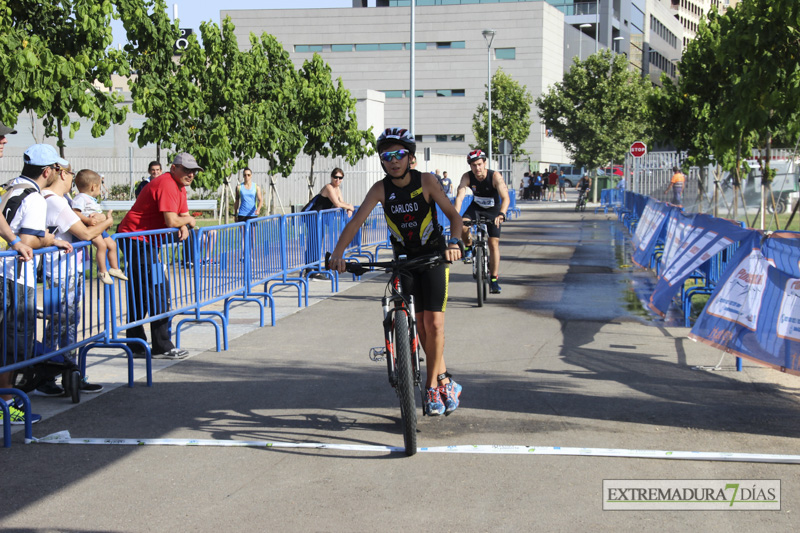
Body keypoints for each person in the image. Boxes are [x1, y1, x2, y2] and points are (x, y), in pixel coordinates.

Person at [327, 128, 464, 417]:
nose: (393, 161)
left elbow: (453, 216)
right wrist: (338, 254)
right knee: (420, 324)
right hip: (404, 261)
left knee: (433, 324)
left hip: (434, 257)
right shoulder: (380, 189)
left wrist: (454, 242)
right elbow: (355, 224)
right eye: (386, 156)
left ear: (410, 157)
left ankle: (431, 388)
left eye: (399, 154)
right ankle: (443, 378)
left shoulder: (426, 181)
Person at [0, 144, 73, 425]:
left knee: (9, 342)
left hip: (7, 274)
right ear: (48, 171)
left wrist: (51, 239)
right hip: (14, 278)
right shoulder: (36, 198)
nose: (61, 173)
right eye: (58, 169)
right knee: (13, 344)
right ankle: (6, 403)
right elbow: (28, 241)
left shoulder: (13, 188)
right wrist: (47, 240)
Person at [41, 165, 116, 395]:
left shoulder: (65, 199)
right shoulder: (54, 200)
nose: (73, 178)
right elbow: (85, 233)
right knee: (58, 324)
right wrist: (107, 222)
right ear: (62, 173)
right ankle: (46, 376)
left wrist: (98, 218)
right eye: (70, 172)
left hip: (71, 271)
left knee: (69, 324)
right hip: (59, 272)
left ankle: (69, 373)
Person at [116, 153, 200, 360]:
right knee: (158, 291)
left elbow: (182, 220)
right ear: (173, 168)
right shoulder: (167, 184)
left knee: (141, 294)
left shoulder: (179, 187)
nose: (191, 174)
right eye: (186, 170)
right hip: (136, 240)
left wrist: (185, 223)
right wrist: (186, 221)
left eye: (194, 171)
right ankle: (162, 345)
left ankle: (134, 344)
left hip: (141, 241)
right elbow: (173, 220)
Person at [455, 149, 510, 294]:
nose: (477, 168)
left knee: (493, 244)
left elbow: (506, 198)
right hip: (477, 208)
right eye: (474, 165)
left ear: (484, 163)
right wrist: (455, 214)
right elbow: (460, 196)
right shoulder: (467, 177)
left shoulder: (495, 176)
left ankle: (493, 279)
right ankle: (468, 247)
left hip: (494, 210)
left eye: (479, 164)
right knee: (463, 224)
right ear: (470, 166)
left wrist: (502, 214)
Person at [71, 170, 128, 285]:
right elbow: (75, 212)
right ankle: (102, 271)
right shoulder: (81, 198)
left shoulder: (90, 199)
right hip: (92, 229)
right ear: (93, 186)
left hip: (99, 228)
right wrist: (87, 220)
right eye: (99, 187)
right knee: (101, 246)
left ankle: (115, 268)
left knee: (112, 244)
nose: (100, 190)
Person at [302, 168, 354, 278]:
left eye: (340, 178)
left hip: (320, 219)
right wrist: (349, 207)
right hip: (314, 217)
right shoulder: (328, 187)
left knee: (317, 243)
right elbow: (337, 204)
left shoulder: (337, 189)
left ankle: (314, 268)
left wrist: (349, 207)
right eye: (336, 177)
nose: (338, 180)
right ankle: (310, 270)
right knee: (313, 243)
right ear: (331, 177)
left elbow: (341, 202)